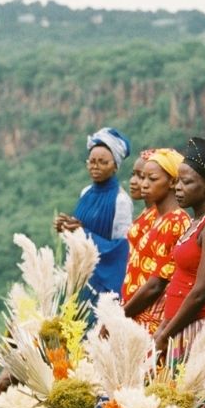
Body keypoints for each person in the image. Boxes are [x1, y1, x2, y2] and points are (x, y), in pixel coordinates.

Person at [154, 137, 205, 354]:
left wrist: (166, 333)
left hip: (195, 327)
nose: (178, 188)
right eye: (177, 181)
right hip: (177, 325)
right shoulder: (196, 223)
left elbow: (201, 291)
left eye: (187, 182)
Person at [55, 127, 132, 303]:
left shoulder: (121, 200)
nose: (95, 166)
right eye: (91, 161)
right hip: (79, 275)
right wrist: (66, 228)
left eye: (103, 162)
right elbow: (80, 230)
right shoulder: (86, 192)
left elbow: (122, 248)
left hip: (101, 282)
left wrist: (83, 233)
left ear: (115, 167)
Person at [121, 149, 188, 333]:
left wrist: (120, 316)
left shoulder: (176, 221)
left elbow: (156, 284)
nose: (143, 184)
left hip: (150, 316)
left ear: (173, 182)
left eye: (152, 179)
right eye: (143, 178)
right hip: (134, 308)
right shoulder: (155, 216)